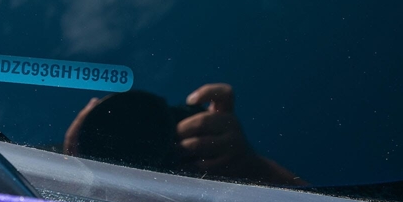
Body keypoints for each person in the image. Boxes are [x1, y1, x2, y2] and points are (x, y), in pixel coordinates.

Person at [63, 83, 305, 187]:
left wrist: (251, 170)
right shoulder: (42, 172)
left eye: (145, 125)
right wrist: (70, 170)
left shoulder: (219, 192)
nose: (129, 138)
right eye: (108, 137)